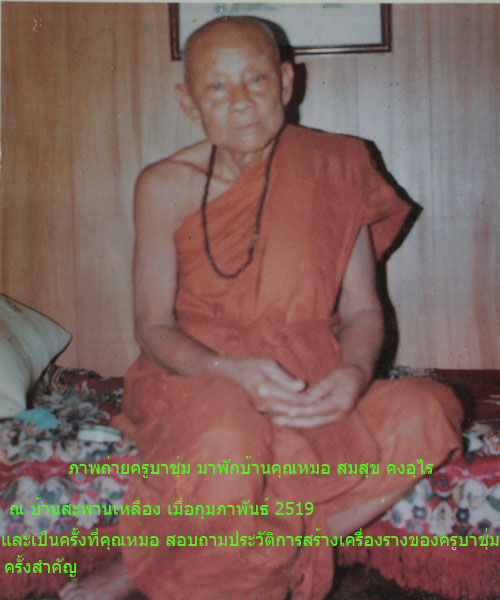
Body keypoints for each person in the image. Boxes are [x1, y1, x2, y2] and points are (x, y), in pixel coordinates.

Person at [60, 16, 463, 600]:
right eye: (216, 87)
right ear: (188, 101)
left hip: (307, 371)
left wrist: (353, 373)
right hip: (197, 375)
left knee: (430, 410)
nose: (241, 101)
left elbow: (362, 310)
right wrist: (229, 371)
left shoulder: (338, 166)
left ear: (286, 82)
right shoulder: (164, 184)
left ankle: (163, 563)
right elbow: (152, 327)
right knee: (231, 441)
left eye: (255, 79)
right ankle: (208, 565)